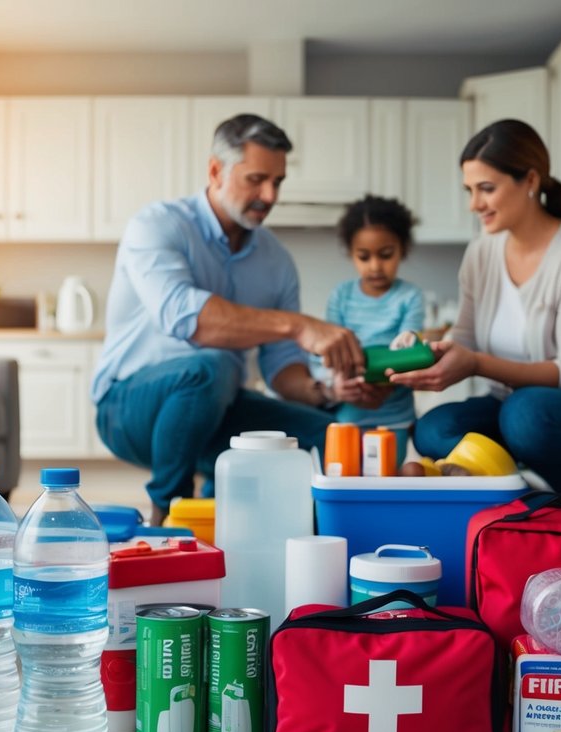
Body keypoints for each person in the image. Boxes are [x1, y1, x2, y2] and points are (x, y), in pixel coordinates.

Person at [91, 113, 376, 525]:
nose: (270, 195)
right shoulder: (158, 226)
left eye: (277, 182)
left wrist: (327, 388)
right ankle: (166, 516)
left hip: (216, 406)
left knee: (329, 437)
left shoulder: (275, 261)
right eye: (256, 179)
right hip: (127, 408)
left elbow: (282, 370)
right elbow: (189, 320)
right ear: (215, 170)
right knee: (213, 365)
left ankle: (257, 521)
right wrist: (298, 324)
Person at [389, 119, 561, 498]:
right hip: (512, 412)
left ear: (530, 181)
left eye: (486, 189)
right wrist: (425, 353)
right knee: (433, 429)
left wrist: (475, 363)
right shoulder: (481, 252)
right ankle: (525, 499)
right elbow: (465, 335)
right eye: (470, 190)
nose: (475, 204)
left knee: (525, 413)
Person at [320, 195, 426, 464]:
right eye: (364, 257)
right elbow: (327, 353)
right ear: (351, 253)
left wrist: (408, 346)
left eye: (386, 255)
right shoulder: (341, 296)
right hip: (348, 416)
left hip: (395, 417)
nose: (375, 266)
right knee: (346, 478)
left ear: (403, 249)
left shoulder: (410, 297)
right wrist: (336, 381)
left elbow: (410, 352)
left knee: (388, 482)